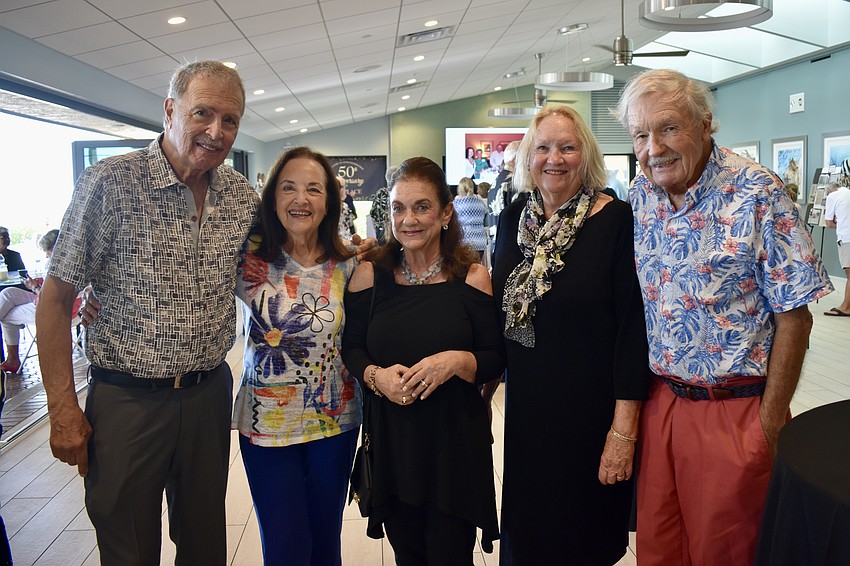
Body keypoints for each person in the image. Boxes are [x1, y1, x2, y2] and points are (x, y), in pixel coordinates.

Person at [36, 60, 260, 566]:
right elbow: (55, 297)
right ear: (170, 110)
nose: (215, 131)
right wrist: (62, 407)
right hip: (126, 401)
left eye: (230, 121)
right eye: (202, 113)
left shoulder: (241, 198)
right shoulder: (109, 183)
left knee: (205, 544)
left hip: (207, 396)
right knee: (128, 545)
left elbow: (265, 279)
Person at [613, 68, 832, 566]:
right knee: (660, 549)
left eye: (669, 128)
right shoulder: (641, 193)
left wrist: (771, 421)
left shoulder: (758, 191)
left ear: (705, 122)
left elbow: (795, 320)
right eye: (641, 135)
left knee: (728, 553)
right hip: (661, 402)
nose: (654, 149)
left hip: (734, 408)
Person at [491, 105, 649, 565]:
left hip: (590, 418)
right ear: (528, 156)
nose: (553, 158)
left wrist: (624, 431)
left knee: (582, 543)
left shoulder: (616, 220)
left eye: (567, 147)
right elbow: (497, 309)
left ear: (586, 155)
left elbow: (631, 332)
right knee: (529, 541)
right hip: (526, 415)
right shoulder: (514, 217)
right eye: (543, 147)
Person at [342, 157, 504, 565]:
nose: (408, 219)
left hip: (455, 448)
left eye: (421, 207)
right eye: (399, 207)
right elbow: (353, 349)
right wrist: (376, 377)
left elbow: (494, 357)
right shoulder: (370, 275)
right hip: (396, 446)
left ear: (446, 212)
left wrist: (454, 361)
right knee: (408, 555)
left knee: (451, 555)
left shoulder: (472, 277)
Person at [233, 147, 362, 565]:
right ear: (273, 198)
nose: (300, 199)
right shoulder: (248, 260)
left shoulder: (351, 264)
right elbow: (183, 279)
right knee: (285, 542)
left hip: (335, 422)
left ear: (329, 203)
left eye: (313, 189)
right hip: (266, 425)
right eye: (288, 188)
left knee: (325, 540)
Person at [0, 230, 58, 374]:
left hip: (50, 308)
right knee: (7, 293)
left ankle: (13, 360)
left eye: (48, 251)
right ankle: (12, 360)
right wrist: (37, 286)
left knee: (6, 314)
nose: (46, 255)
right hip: (44, 298)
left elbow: (51, 298)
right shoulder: (63, 265)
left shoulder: (59, 268)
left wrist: (35, 287)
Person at [487, 140, 521, 256]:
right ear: (518, 158)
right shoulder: (517, 184)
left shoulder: (495, 183)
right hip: (513, 252)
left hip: (496, 250)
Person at [824, 179, 850, 316]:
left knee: (849, 273)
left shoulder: (831, 196)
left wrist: (836, 222)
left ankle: (846, 307)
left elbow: (829, 223)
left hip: (846, 237)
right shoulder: (847, 192)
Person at [454, 177, 489, 259]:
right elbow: (486, 222)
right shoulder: (481, 203)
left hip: (465, 242)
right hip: (480, 242)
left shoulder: (457, 204)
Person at [369, 166, 395, 245]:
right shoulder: (398, 194)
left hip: (380, 232)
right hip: (393, 233)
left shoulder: (379, 193)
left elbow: (372, 215)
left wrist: (377, 229)